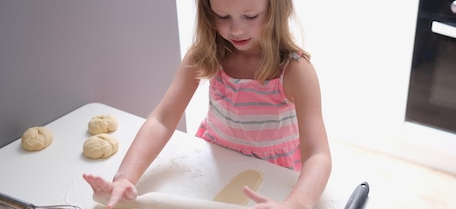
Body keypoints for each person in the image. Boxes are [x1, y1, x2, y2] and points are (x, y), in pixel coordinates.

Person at [83, 0, 332, 208]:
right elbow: (162, 119)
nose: (235, 30)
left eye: (250, 16)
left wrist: (297, 203)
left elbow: (318, 154)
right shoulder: (206, 54)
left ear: (276, 8)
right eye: (222, 16)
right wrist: (125, 178)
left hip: (274, 172)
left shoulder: (295, 71)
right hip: (213, 163)